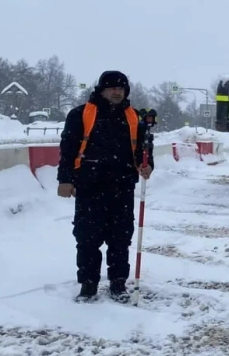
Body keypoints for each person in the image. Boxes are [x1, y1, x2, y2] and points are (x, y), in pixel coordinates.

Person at [56, 70, 154, 302]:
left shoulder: (133, 117)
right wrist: (65, 179)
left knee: (120, 237)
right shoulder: (81, 114)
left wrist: (147, 164)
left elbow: (143, 149)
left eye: (121, 88)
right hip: (90, 185)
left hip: (122, 186)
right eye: (111, 87)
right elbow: (68, 148)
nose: (116, 91)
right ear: (101, 90)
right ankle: (88, 284)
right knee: (88, 236)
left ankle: (118, 282)